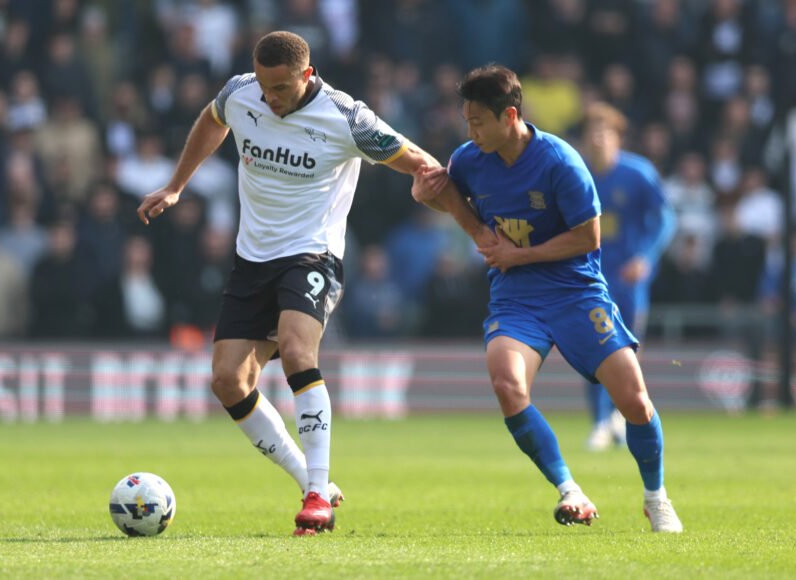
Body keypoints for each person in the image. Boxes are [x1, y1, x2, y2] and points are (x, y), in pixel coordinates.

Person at [136, 31, 442, 536]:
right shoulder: (241, 92)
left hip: (313, 254)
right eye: (263, 85)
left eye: (279, 88)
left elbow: (422, 163)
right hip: (252, 261)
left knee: (299, 351)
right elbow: (214, 121)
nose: (269, 97)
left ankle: (318, 496)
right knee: (228, 381)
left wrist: (434, 192)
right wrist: (176, 185)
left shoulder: (348, 118)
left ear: (306, 75)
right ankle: (308, 477)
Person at [412, 64, 683, 532]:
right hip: (516, 300)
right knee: (506, 385)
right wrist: (430, 198)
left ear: (509, 116)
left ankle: (656, 497)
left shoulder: (561, 161)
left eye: (478, 122)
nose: (470, 131)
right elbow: (454, 198)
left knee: (635, 402)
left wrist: (520, 255)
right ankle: (569, 490)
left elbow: (588, 238)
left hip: (577, 293)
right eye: (467, 121)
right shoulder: (470, 158)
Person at [579, 103, 677, 451]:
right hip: (589, 277)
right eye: (592, 133)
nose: (598, 140)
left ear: (618, 138)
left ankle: (621, 417)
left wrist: (645, 257)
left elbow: (665, 220)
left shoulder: (638, 173)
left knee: (626, 353)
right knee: (593, 350)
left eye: (604, 133)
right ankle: (600, 423)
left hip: (628, 279)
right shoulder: (577, 174)